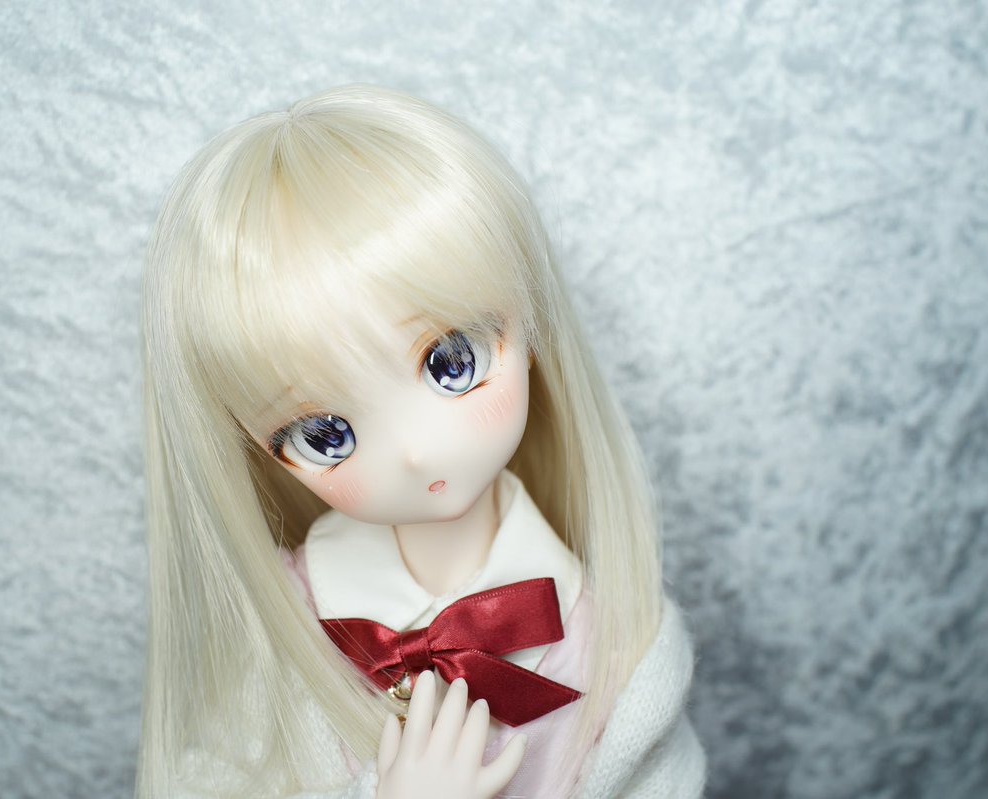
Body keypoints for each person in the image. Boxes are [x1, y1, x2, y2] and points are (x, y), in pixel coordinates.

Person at [138, 84, 705, 799]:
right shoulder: (283, 624)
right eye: (324, 433)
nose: (414, 452)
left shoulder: (619, 647)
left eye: (451, 363)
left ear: (531, 321)